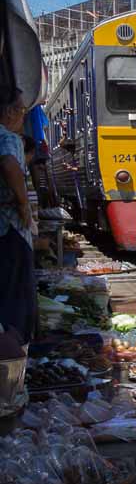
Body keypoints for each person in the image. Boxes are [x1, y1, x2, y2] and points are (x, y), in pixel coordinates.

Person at [0, 91, 36, 344]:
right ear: (10, 113)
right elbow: (10, 165)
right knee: (16, 289)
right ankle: (16, 345)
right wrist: (23, 204)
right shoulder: (8, 138)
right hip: (10, 226)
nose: (23, 119)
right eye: (23, 112)